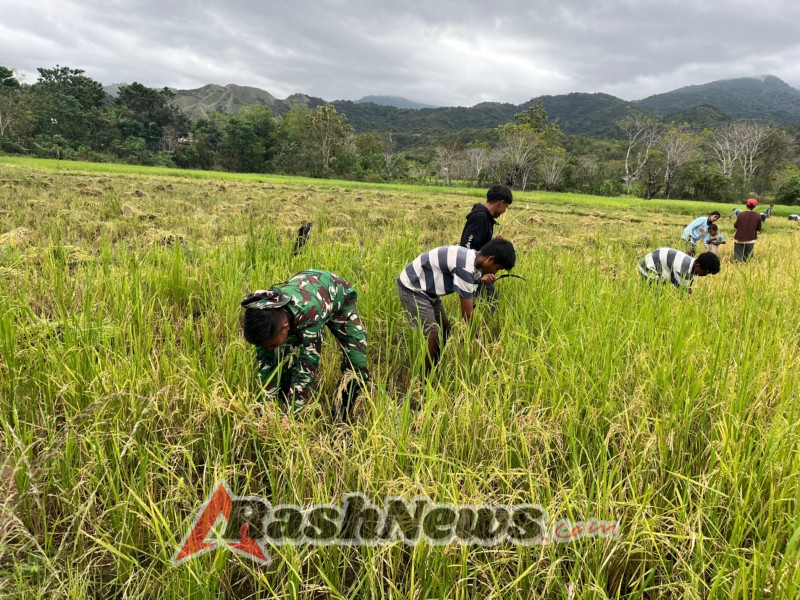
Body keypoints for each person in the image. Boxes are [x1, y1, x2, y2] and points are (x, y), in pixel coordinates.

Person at [241, 270, 369, 424]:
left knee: (357, 366)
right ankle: (283, 398)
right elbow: (267, 364)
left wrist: (291, 415)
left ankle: (342, 417)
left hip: (338, 296)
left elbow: (306, 369)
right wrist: (267, 403)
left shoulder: (310, 317)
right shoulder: (265, 317)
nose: (269, 348)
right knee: (285, 361)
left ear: (285, 327)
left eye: (272, 345)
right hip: (305, 291)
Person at [397, 239, 516, 374]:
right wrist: (480, 341)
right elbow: (467, 314)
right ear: (490, 260)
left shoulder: (473, 260)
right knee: (433, 334)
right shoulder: (465, 267)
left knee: (446, 328)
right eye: (497, 268)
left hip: (428, 289)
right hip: (413, 287)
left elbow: (470, 283)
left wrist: (480, 280)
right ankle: (424, 380)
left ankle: (435, 363)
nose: (495, 273)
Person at [459, 184, 513, 304]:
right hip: (473, 268)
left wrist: (490, 238)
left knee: (487, 299)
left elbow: (477, 239)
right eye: (506, 206)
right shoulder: (480, 217)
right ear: (501, 203)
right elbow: (466, 246)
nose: (505, 211)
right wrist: (472, 275)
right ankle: (477, 321)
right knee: (489, 300)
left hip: (477, 267)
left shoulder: (485, 217)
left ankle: (478, 320)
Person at [638, 248, 720, 293]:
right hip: (648, 266)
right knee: (654, 294)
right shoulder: (683, 268)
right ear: (698, 266)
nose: (705, 275)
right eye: (706, 272)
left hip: (661, 266)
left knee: (661, 290)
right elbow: (682, 291)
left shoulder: (693, 263)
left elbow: (687, 286)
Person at [733, 198, 762, 262]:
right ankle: (747, 271)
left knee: (738, 258)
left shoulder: (741, 214)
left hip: (739, 239)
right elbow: (759, 228)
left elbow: (735, 226)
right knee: (748, 259)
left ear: (746, 205)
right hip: (750, 240)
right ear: (755, 206)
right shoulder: (758, 215)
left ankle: (737, 270)